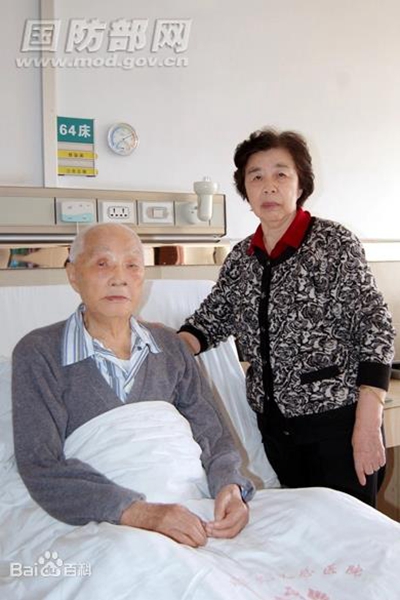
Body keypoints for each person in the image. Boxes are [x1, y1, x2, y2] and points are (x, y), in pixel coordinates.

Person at [179, 128, 396, 507]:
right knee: (303, 529)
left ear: (300, 184)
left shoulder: (333, 243)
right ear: (245, 190)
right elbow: (210, 321)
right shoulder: (241, 258)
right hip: (276, 430)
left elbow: (374, 325)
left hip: (337, 425)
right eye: (256, 176)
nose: (268, 186)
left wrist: (367, 422)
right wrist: (163, 349)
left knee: (348, 531)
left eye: (281, 174)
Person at [12, 223, 254, 548]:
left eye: (132, 265)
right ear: (73, 275)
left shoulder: (171, 345)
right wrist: (140, 513)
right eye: (103, 263)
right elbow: (40, 465)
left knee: (319, 511)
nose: (119, 278)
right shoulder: (39, 352)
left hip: (198, 508)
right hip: (108, 521)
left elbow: (213, 436)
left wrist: (230, 487)